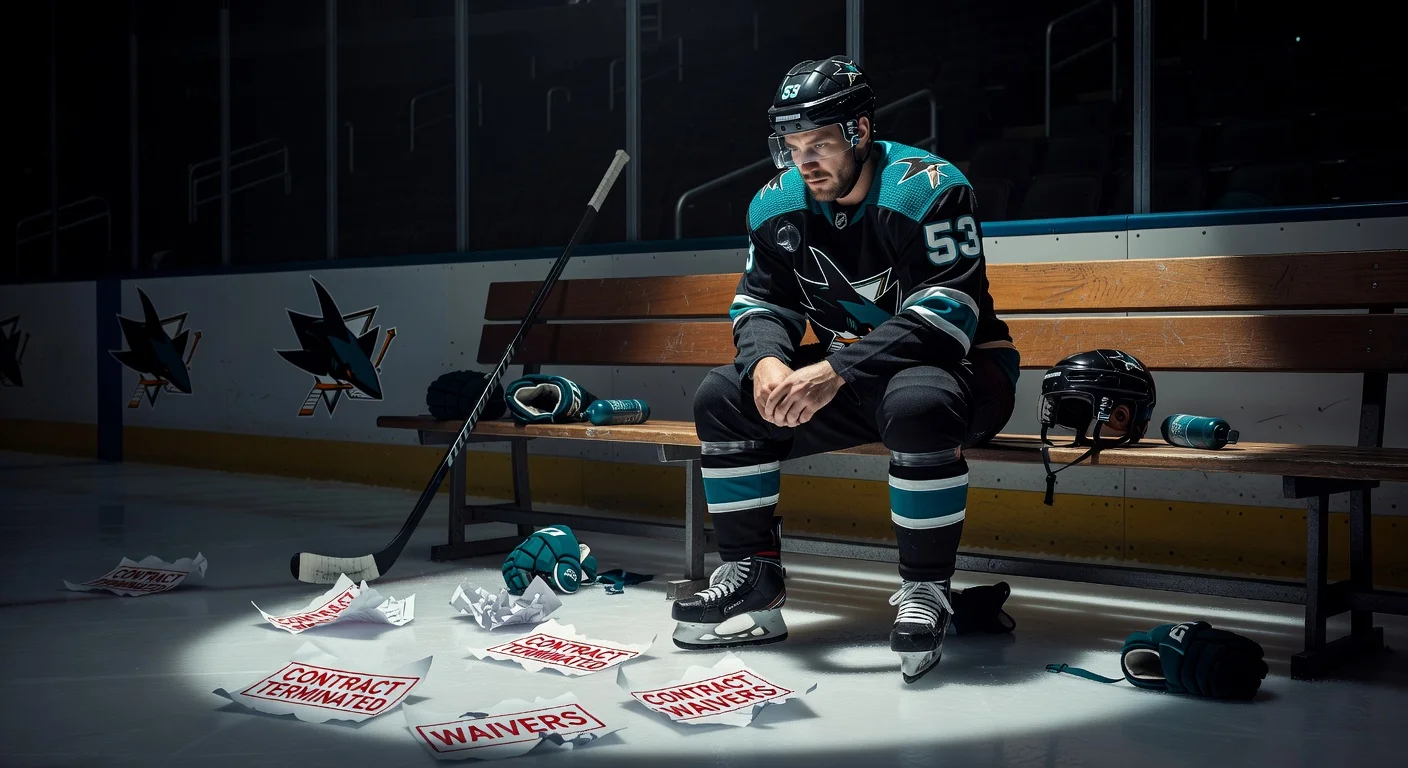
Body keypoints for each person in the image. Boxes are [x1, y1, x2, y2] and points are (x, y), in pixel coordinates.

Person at [670, 55, 1020, 683]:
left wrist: (831, 370)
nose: (805, 162)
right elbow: (759, 301)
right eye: (792, 145)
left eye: (821, 144)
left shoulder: (929, 187)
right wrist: (768, 362)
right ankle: (753, 575)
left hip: (962, 373)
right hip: (858, 380)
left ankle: (927, 590)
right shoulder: (775, 204)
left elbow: (948, 313)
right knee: (722, 394)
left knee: (916, 403)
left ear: (859, 132)